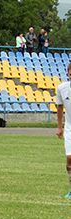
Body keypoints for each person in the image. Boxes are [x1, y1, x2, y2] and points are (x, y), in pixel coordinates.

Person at [56, 63, 71, 198]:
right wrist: (59, 127)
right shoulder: (62, 88)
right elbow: (60, 107)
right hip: (69, 128)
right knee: (69, 158)